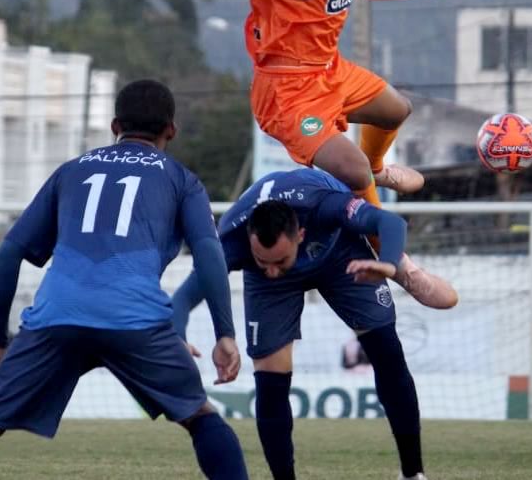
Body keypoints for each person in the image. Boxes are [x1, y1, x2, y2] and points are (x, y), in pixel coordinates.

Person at [223, 0, 507, 309]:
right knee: (349, 167)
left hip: (328, 71)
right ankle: (401, 265)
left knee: (395, 108)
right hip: (287, 86)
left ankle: (378, 169)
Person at [0, 80, 249, 480]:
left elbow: (9, 252)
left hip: (57, 317)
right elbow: (210, 253)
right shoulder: (181, 179)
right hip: (135, 320)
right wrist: (224, 333)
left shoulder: (71, 171)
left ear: (114, 126)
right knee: (200, 417)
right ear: (171, 130)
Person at [172, 168, 432, 480]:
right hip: (274, 291)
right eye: (261, 260)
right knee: (270, 378)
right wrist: (178, 336)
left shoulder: (325, 205)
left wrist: (388, 264)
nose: (270, 269)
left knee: (387, 353)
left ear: (300, 235)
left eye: (279, 260)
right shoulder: (232, 244)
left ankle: (413, 473)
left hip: (340, 253)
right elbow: (184, 298)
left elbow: (389, 222)